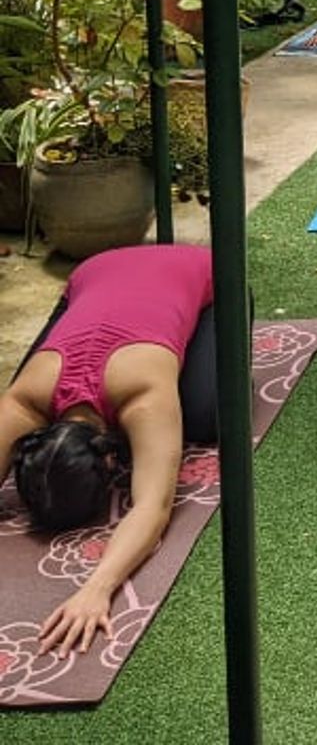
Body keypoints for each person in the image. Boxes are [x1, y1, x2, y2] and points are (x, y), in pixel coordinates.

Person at [0, 244, 221, 658]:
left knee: (204, 419)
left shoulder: (144, 397)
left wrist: (97, 588)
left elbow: (151, 508)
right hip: (95, 268)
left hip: (198, 268)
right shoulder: (25, 397)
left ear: (109, 460)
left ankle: (230, 303)